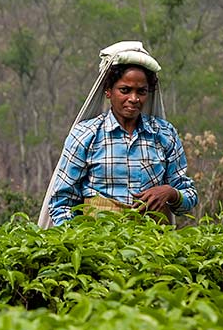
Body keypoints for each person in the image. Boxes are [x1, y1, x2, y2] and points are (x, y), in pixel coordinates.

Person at [39, 41, 198, 228]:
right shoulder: (86, 135)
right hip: (97, 245)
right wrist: (78, 241)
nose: (134, 99)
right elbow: (62, 202)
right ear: (108, 91)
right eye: (125, 90)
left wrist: (171, 193)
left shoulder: (164, 134)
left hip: (154, 246)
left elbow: (188, 196)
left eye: (141, 91)